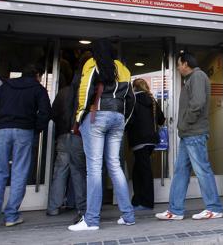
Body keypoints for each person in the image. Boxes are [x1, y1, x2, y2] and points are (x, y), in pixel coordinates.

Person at [68, 38, 136, 231]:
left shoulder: (93, 64)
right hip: (118, 118)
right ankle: (128, 216)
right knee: (115, 165)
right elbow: (131, 99)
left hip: (97, 116)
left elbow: (85, 90)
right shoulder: (123, 69)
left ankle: (91, 220)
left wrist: (80, 116)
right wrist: (124, 119)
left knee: (94, 168)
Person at [0, 63, 52, 227]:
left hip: (3, 130)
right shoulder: (38, 89)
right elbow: (46, 112)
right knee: (19, 172)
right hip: (24, 131)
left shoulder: (6, 87)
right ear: (37, 76)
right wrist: (36, 129)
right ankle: (11, 216)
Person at [155, 51, 223, 220]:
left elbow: (198, 103)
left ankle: (214, 208)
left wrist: (184, 123)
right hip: (189, 134)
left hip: (194, 133)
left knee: (202, 170)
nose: (178, 68)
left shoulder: (198, 76)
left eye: (179, 64)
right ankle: (175, 210)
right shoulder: (191, 79)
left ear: (186, 63)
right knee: (180, 172)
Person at [46, 52, 91, 223]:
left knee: (61, 171)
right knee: (80, 171)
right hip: (79, 134)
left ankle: (53, 207)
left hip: (63, 135)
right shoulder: (84, 92)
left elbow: (53, 113)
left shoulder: (63, 92)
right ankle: (81, 206)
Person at [126, 78, 165, 211]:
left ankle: (147, 202)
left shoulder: (133, 100)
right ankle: (137, 200)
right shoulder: (152, 100)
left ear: (134, 88)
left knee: (143, 170)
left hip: (139, 140)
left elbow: (130, 121)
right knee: (138, 170)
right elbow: (161, 119)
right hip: (151, 140)